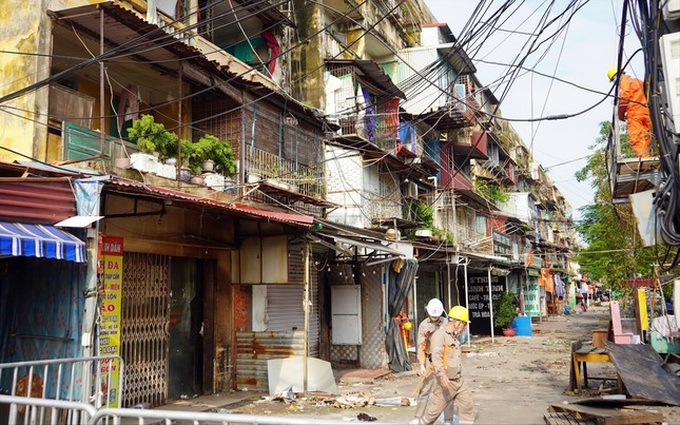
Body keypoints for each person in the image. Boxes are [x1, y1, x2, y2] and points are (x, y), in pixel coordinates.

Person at [414, 306, 475, 425]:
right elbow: (436, 358)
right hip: (446, 381)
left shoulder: (453, 336)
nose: (465, 327)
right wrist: (441, 375)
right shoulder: (440, 335)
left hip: (458, 380)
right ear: (457, 322)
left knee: (467, 405)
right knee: (433, 413)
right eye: (464, 324)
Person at [412, 298, 452, 424]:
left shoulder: (446, 323)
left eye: (437, 316)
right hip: (430, 361)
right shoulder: (424, 325)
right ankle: (418, 417)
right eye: (432, 316)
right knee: (424, 390)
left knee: (446, 390)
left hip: (443, 360)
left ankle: (448, 419)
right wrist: (422, 365)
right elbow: (421, 345)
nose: (434, 318)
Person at [607, 66, 652, 158]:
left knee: (636, 136)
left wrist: (620, 115)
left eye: (612, 80)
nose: (614, 82)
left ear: (615, 76)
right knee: (645, 135)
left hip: (634, 113)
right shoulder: (638, 81)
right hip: (646, 112)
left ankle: (642, 157)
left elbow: (624, 99)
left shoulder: (624, 83)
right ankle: (646, 155)